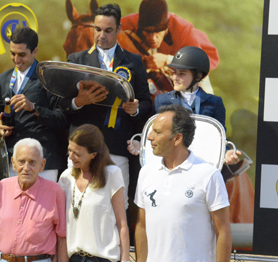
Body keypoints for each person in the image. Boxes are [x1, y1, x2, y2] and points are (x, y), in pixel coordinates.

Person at [127, 45, 254, 223]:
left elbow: (220, 137)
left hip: (200, 169)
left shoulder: (214, 103)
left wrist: (226, 153)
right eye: (174, 73)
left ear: (198, 76)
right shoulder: (162, 101)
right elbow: (156, 132)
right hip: (171, 168)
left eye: (182, 74)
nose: (175, 78)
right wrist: (142, 146)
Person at [60, 3, 152, 205]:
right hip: (82, 149)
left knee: (117, 209)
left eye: (108, 30)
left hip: (117, 148)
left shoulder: (134, 61)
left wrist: (136, 109)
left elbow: (146, 102)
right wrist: (79, 102)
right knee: (76, 206)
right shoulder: (76, 59)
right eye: (98, 29)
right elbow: (63, 104)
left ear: (119, 29)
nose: (102, 35)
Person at [134, 104, 232, 262]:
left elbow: (223, 232)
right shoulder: (146, 172)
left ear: (177, 138)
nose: (149, 137)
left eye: (157, 132)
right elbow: (141, 226)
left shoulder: (209, 175)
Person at [0, 27, 69, 181]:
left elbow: (62, 120)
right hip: (13, 161)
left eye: (22, 55)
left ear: (35, 52)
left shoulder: (49, 78)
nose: (16, 60)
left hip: (43, 162)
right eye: (12, 54)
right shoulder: (3, 79)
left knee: (43, 206)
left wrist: (34, 108)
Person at [118, 0, 219, 98]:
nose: (153, 38)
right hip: (151, 75)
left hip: (191, 62)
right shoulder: (128, 23)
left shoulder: (183, 29)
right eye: (148, 32)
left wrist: (168, 60)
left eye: (158, 32)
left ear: (166, 27)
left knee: (203, 95)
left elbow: (200, 68)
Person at [0, 138, 67, 262]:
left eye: (32, 162)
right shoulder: (2, 187)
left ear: (42, 165)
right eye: (21, 161)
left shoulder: (55, 192)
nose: (26, 168)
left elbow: (62, 238)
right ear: (13, 163)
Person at [58, 124, 130, 262]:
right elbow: (62, 230)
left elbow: (122, 225)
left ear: (93, 155)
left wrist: (125, 259)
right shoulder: (65, 178)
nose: (71, 157)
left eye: (77, 153)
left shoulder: (112, 174)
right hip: (75, 258)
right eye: (70, 150)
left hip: (103, 258)